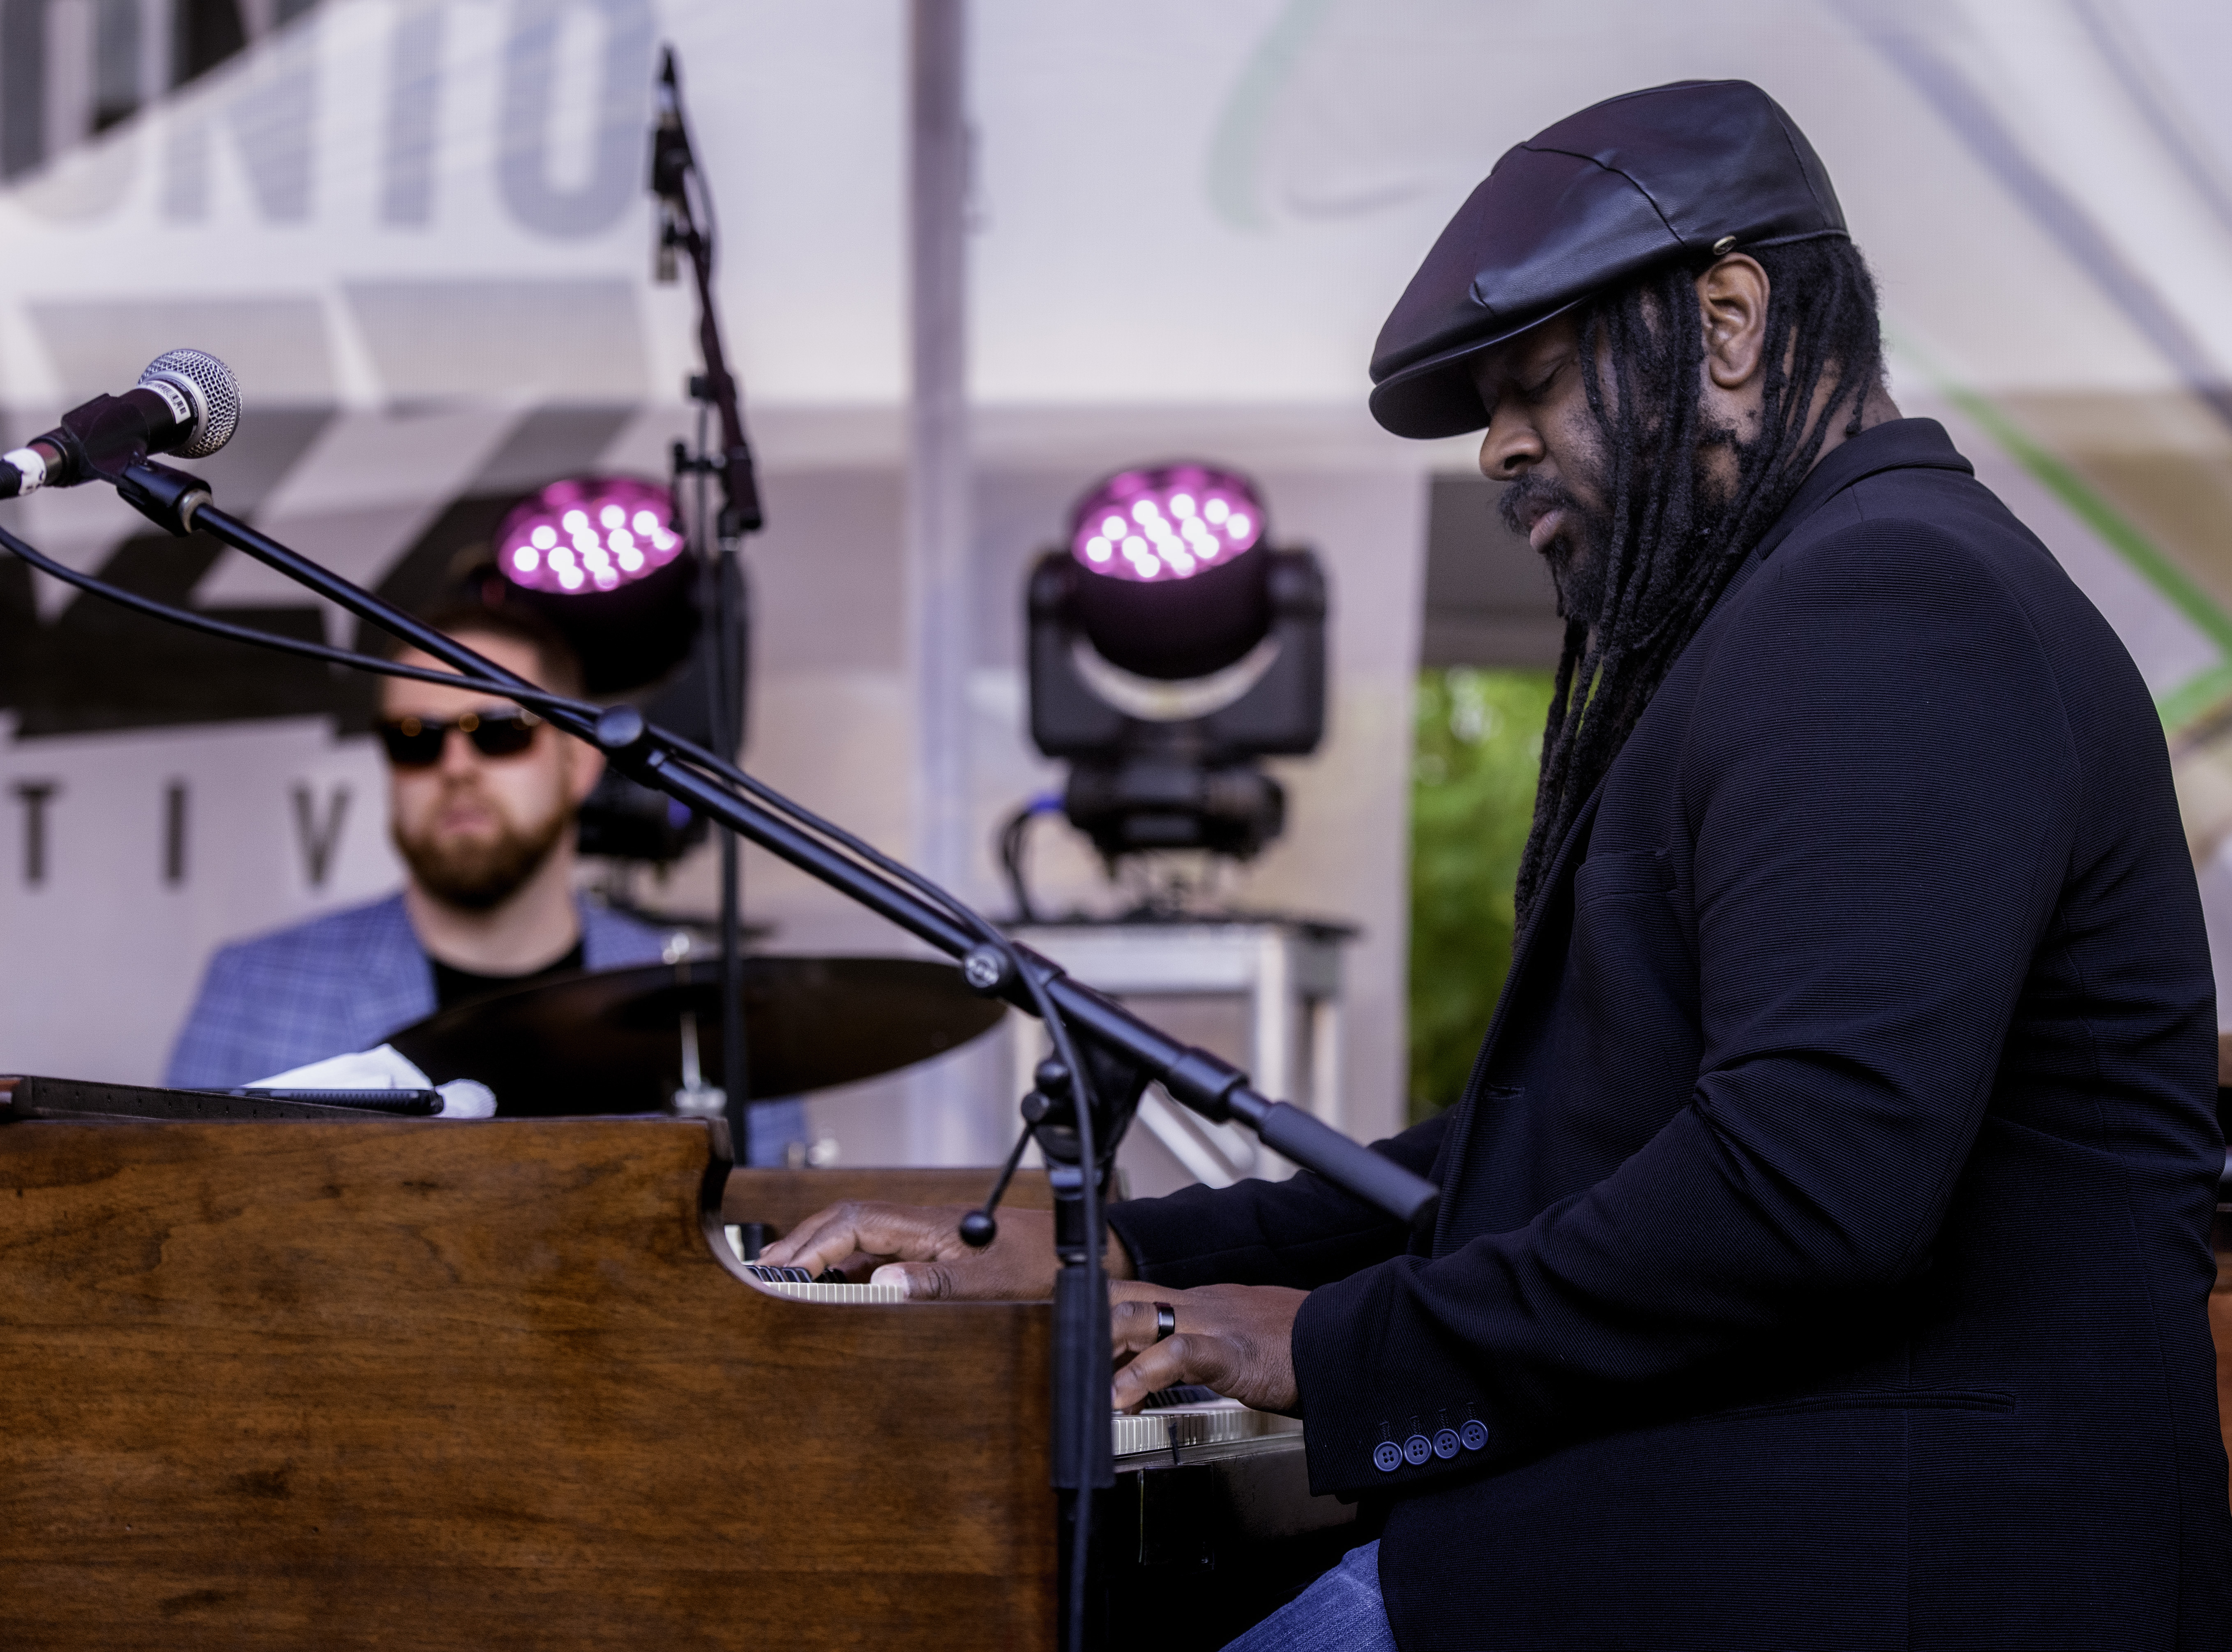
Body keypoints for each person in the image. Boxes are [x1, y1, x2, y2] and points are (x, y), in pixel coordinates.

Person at [760, 81, 2230, 1648]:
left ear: (1728, 318)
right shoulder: (1832, 606)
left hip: (1834, 1583)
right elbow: (1545, 1162)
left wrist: (1327, 1350)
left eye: (1533, 382)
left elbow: (1806, 1188)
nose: (1498, 451)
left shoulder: (1885, 611)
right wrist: (1110, 1255)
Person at [165, 603, 807, 1163]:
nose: (457, 768)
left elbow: (773, 1263)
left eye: (499, 733)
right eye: (416, 739)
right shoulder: (255, 988)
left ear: (579, 763)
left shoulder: (713, 1012)